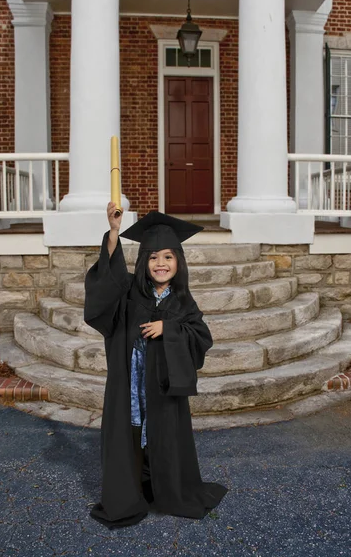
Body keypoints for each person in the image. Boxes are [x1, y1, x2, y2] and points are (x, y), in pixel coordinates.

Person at [84, 203, 228, 529]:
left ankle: (167, 488)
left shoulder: (183, 302)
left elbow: (201, 338)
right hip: (131, 385)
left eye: (167, 256)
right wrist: (113, 233)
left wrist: (170, 330)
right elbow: (107, 285)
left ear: (178, 261)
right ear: (143, 261)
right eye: (152, 257)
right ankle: (131, 492)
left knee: (161, 436)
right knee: (132, 435)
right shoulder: (132, 293)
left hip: (162, 389)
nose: (160, 263)